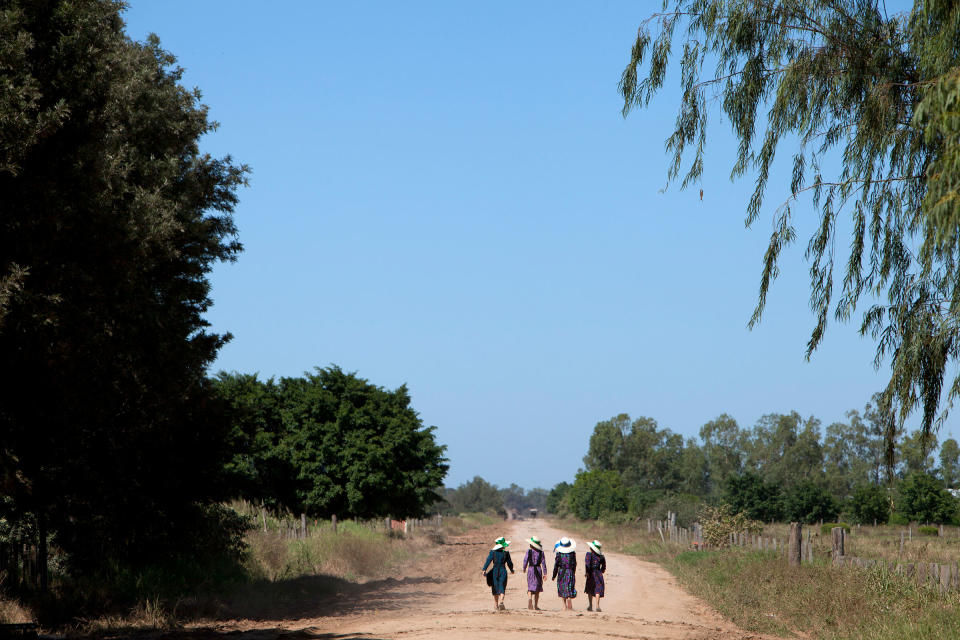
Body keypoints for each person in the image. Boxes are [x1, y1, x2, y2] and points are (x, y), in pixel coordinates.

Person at [481, 536, 515, 610]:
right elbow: (509, 563)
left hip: (495, 571)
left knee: (495, 586)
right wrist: (512, 570)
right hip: (503, 571)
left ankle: (496, 605)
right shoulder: (506, 553)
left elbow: (488, 561)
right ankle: (501, 602)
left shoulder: (493, 553)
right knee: (502, 586)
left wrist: (484, 569)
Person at [551, 536, 577, 610]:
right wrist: (573, 572)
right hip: (570, 571)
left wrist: (554, 575)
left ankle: (564, 606)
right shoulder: (572, 554)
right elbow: (574, 563)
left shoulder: (559, 554)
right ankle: (569, 598)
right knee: (569, 586)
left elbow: (556, 565)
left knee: (562, 587)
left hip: (562, 572)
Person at [522, 536, 547, 610]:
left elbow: (525, 560)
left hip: (530, 569)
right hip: (538, 570)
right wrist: (545, 573)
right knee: (537, 589)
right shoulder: (541, 552)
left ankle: (530, 598)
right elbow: (543, 563)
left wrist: (524, 568)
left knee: (530, 586)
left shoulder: (528, 551)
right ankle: (535, 606)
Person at [584, 539, 606, 612]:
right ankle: (597, 605)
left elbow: (587, 564)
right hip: (598, 574)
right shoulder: (601, 556)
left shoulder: (589, 554)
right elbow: (603, 567)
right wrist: (601, 571)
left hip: (591, 573)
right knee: (597, 590)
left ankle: (590, 605)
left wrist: (587, 572)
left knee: (590, 589)